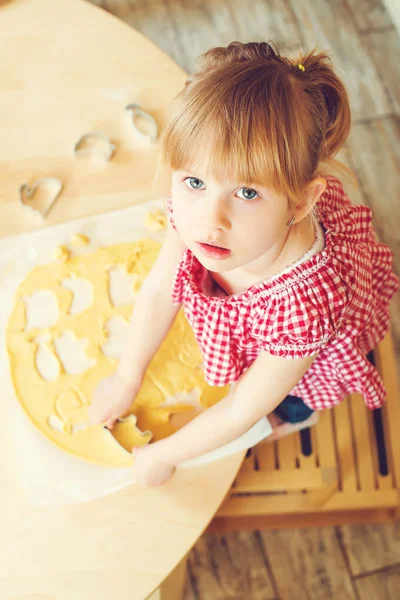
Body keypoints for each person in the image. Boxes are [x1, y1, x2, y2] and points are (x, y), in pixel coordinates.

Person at [88, 41, 399, 486]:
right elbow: (160, 288)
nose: (211, 221)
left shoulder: (305, 307)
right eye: (194, 181)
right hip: (259, 321)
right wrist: (126, 375)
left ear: (300, 202)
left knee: (285, 399)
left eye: (248, 193)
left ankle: (295, 418)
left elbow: (240, 408)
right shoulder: (198, 213)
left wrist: (163, 456)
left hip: (303, 359)